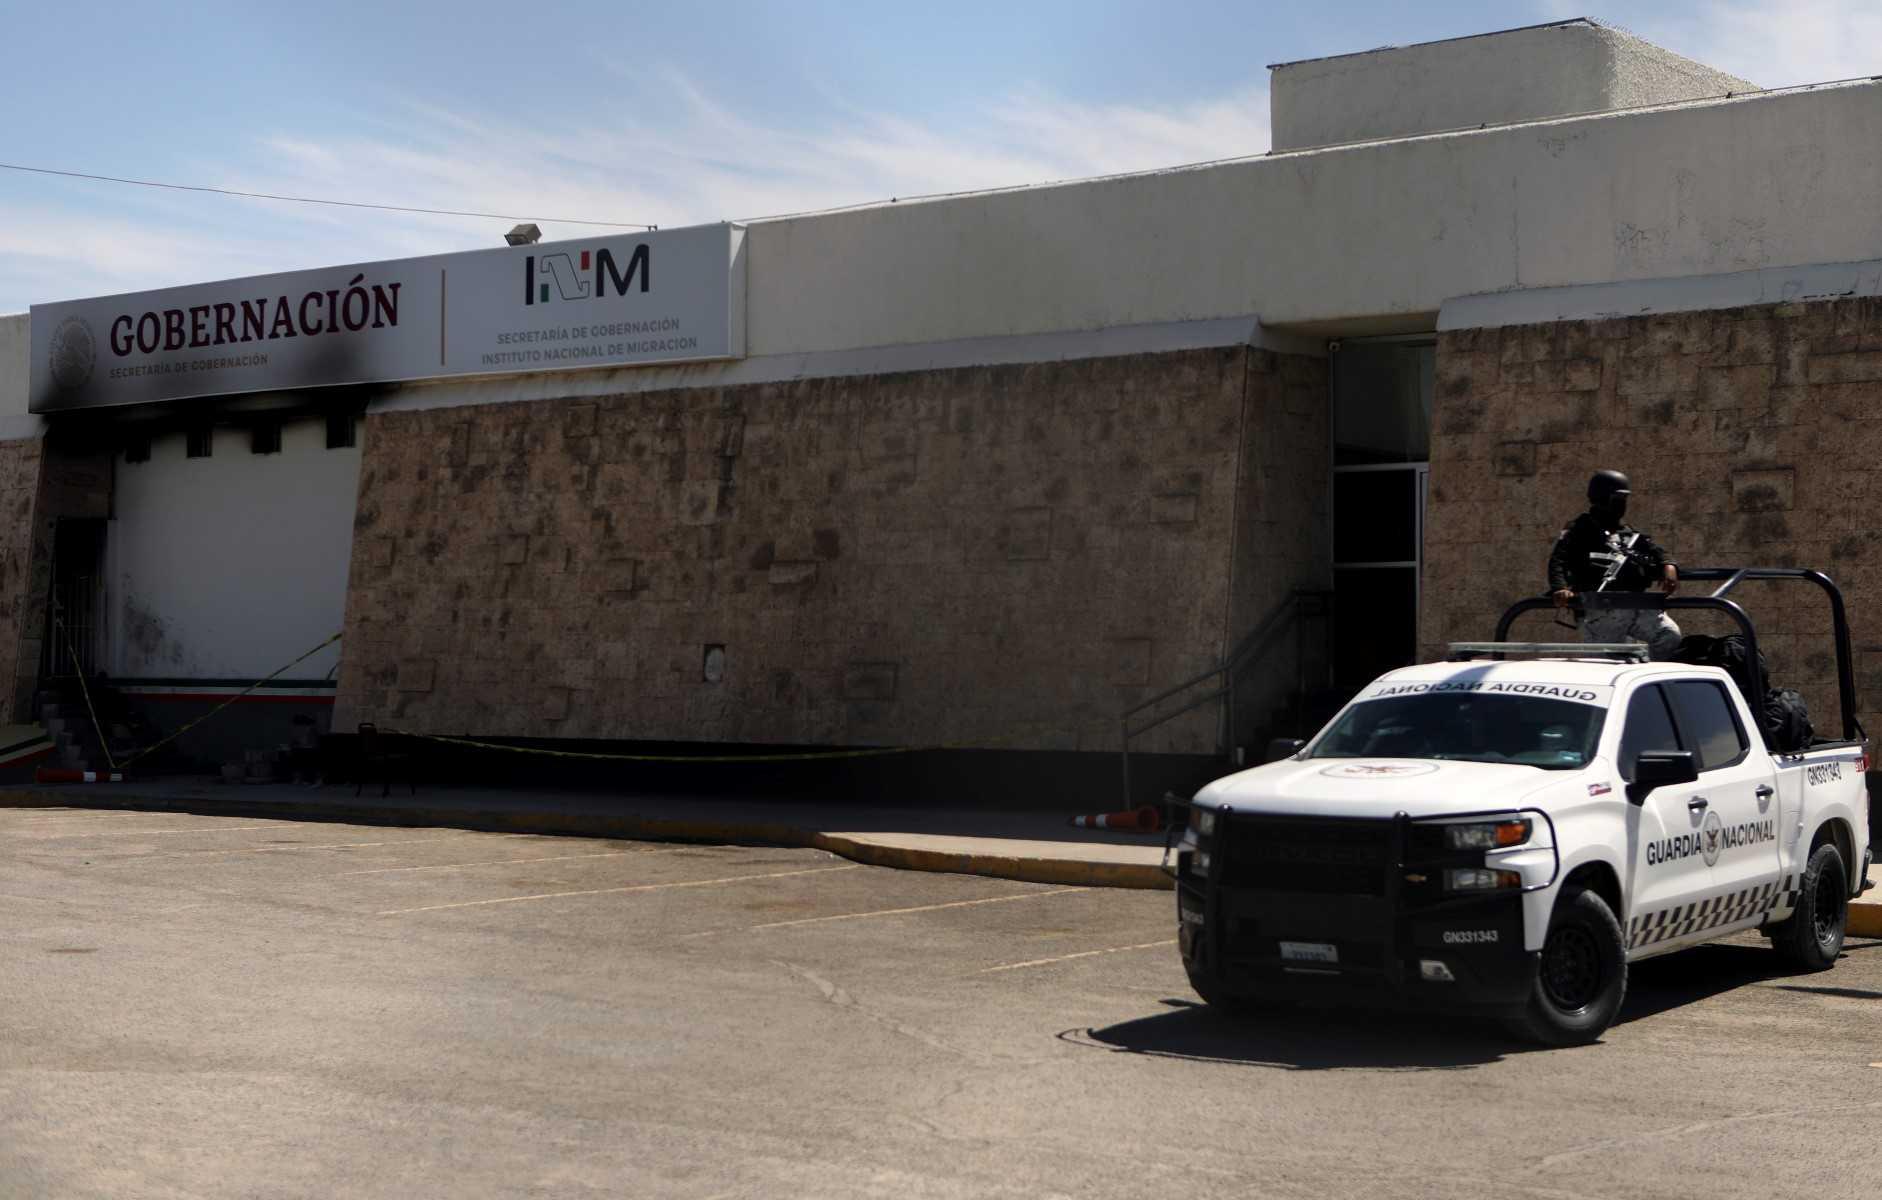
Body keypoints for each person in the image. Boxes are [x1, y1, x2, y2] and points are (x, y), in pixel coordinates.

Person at [1548, 469, 1681, 659]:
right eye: (1618, 499)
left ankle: (1644, 671)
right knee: (1609, 664)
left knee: (1668, 636)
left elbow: (1655, 550)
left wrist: (1669, 565)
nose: (1622, 504)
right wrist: (1560, 588)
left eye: (1624, 499)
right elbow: (1558, 560)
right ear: (1602, 498)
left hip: (1635, 605)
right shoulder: (1580, 529)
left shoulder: (1628, 533)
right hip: (1600, 610)